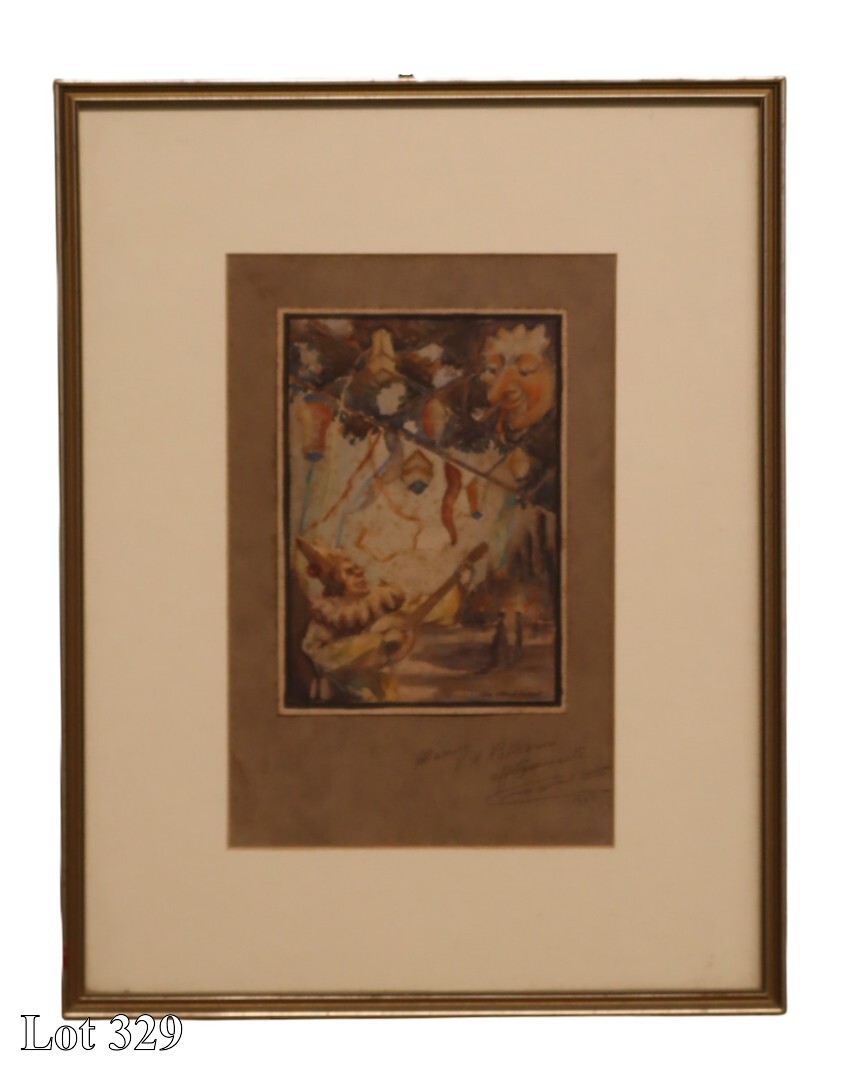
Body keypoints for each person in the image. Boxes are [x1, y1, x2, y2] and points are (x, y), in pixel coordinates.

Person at [296, 537, 413, 704]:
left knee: (385, 690)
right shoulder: (330, 609)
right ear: (336, 582)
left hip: (360, 669)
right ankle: (331, 686)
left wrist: (399, 637)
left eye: (358, 570)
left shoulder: (368, 604)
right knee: (374, 641)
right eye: (350, 573)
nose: (360, 574)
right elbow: (323, 651)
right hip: (330, 663)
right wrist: (381, 642)